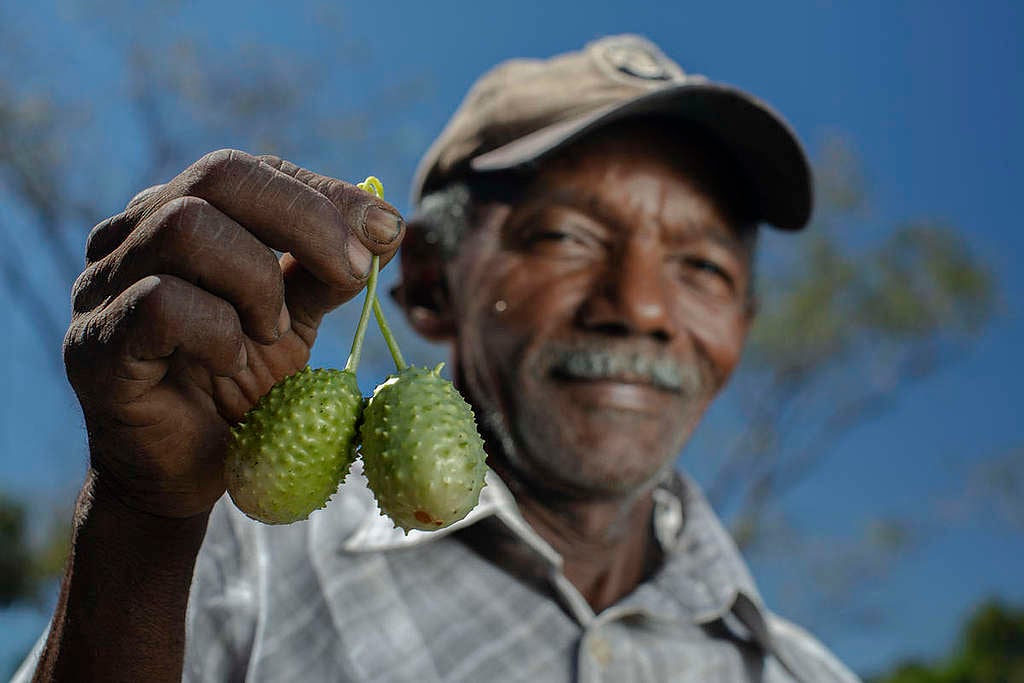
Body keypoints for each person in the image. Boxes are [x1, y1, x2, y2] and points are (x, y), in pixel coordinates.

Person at [17, 35, 861, 682]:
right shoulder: (215, 559)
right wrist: (142, 523)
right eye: (565, 236)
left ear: (742, 327)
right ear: (424, 279)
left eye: (703, 267)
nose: (640, 308)